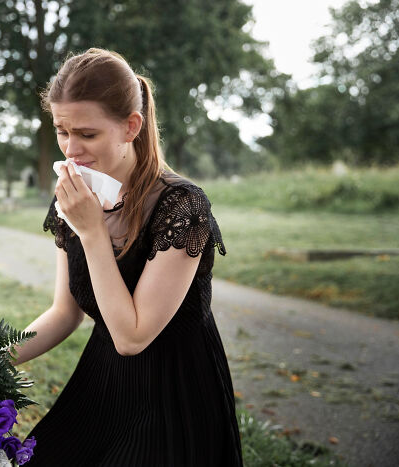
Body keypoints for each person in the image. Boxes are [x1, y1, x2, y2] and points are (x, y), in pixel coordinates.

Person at [13, 48, 243, 466]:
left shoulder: (182, 206)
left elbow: (132, 337)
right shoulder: (74, 200)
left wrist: (92, 232)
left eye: (87, 134)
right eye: (62, 131)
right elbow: (65, 313)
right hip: (102, 384)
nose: (71, 149)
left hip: (175, 395)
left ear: (130, 127)